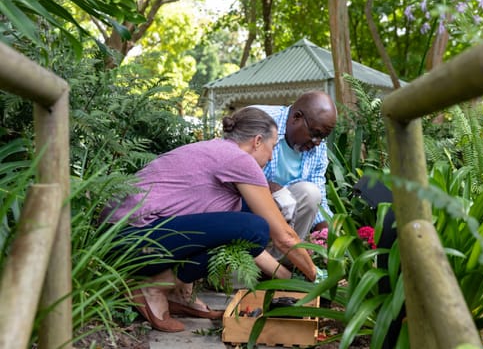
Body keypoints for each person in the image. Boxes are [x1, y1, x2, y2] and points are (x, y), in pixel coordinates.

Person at [101, 107, 318, 333]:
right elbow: (283, 237)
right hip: (134, 240)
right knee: (256, 228)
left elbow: (208, 222)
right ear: (257, 141)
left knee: (247, 218)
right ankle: (154, 287)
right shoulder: (240, 160)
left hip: (118, 241)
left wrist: (285, 277)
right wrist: (316, 277)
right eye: (272, 147)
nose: (272, 156)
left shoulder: (213, 149)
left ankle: (181, 291)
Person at [251, 91, 337, 259]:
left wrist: (328, 237)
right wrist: (273, 189)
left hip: (284, 222)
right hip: (249, 208)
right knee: (284, 198)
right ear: (296, 117)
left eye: (323, 137)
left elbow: (318, 196)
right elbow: (233, 168)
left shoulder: (317, 148)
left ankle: (282, 262)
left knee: (311, 193)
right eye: (316, 134)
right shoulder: (259, 120)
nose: (318, 142)